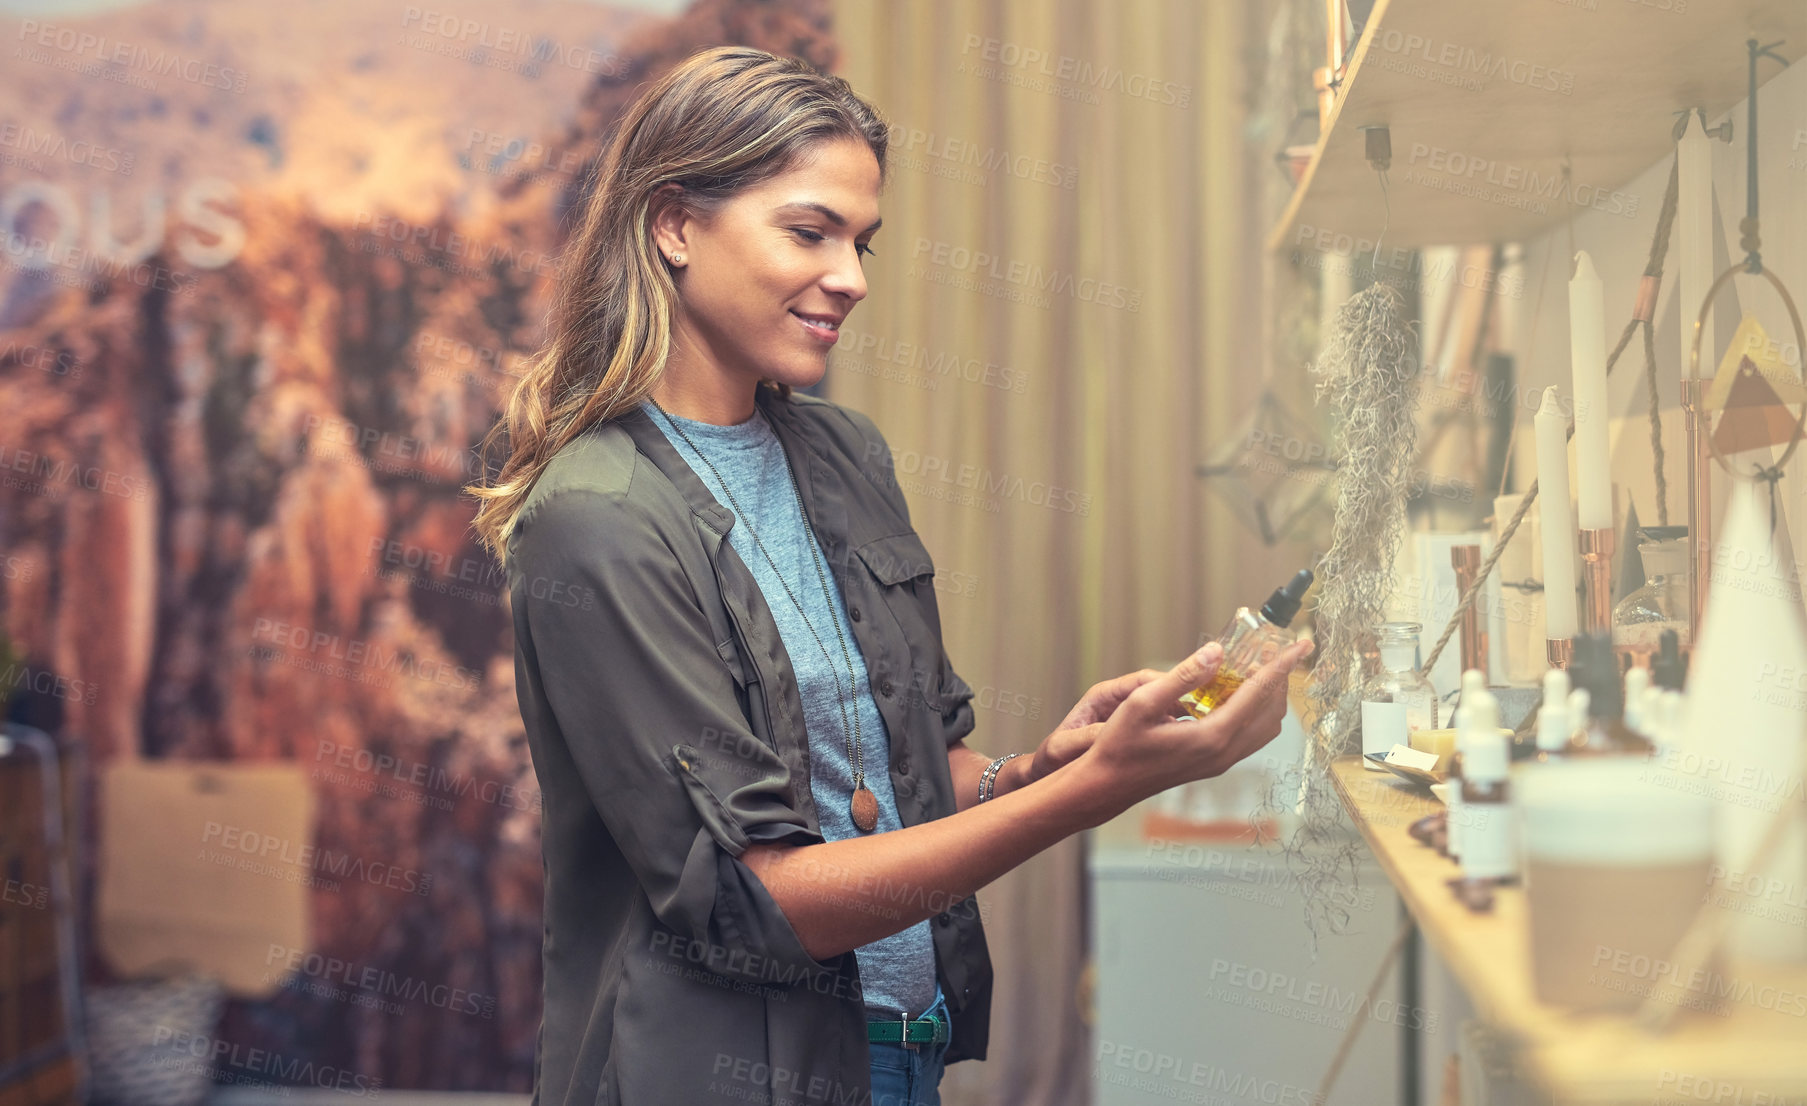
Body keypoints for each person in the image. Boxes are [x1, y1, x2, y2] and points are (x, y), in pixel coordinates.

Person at [468, 45, 1312, 1106]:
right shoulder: (596, 519)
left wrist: (1041, 764)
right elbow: (757, 896)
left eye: (862, 242)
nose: (852, 278)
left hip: (899, 1047)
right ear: (673, 224)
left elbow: (898, 769)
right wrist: (1101, 792)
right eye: (809, 231)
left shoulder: (842, 453)